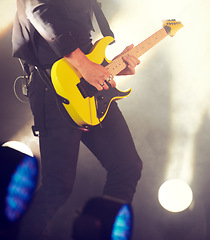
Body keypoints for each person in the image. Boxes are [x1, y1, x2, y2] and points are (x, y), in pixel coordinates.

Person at [12, 0, 143, 239]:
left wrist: (108, 67)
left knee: (127, 166)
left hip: (83, 82)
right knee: (57, 185)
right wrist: (84, 65)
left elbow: (79, 38)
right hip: (51, 82)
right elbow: (38, 9)